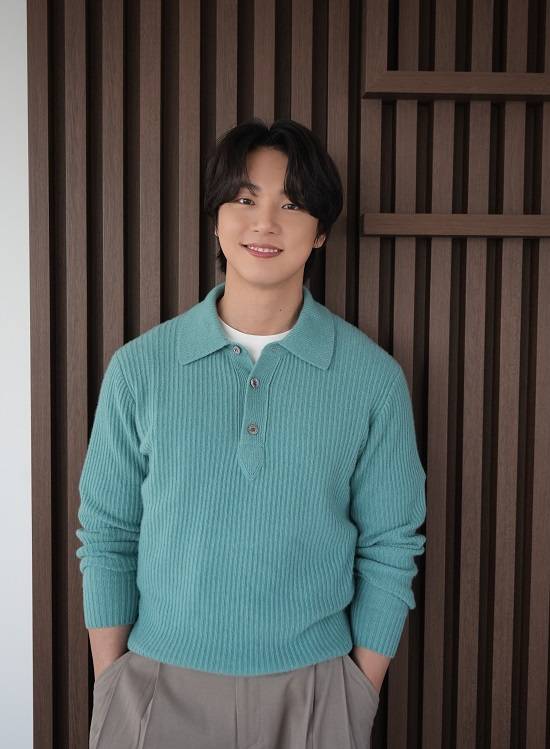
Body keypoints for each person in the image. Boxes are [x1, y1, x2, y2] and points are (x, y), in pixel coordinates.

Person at [75, 118, 427, 749]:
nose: (265, 223)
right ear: (216, 219)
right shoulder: (140, 369)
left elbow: (391, 544)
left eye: (290, 205)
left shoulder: (372, 378)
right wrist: (113, 679)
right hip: (155, 686)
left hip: (316, 693)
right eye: (245, 198)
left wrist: (358, 692)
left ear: (320, 231)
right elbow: (107, 535)